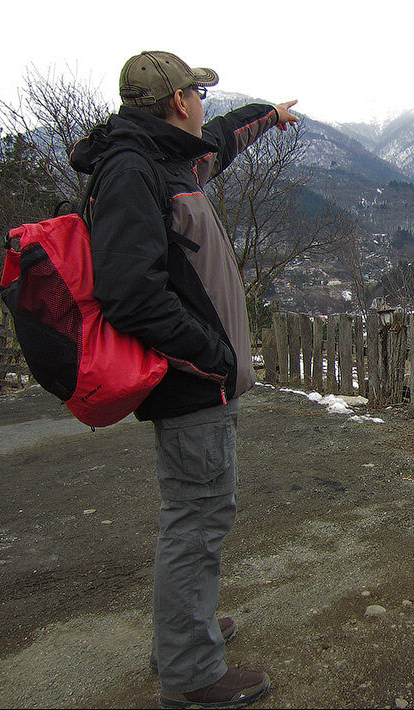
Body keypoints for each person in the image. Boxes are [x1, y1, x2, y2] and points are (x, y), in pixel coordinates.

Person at [69, 50, 299, 709]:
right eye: (199, 92)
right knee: (196, 518)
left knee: (200, 514)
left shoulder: (169, 155)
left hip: (201, 380)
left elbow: (222, 140)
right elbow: (130, 296)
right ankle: (192, 674)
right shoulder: (135, 172)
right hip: (193, 382)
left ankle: (183, 633)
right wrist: (213, 356)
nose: (204, 104)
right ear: (178, 101)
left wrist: (268, 117)